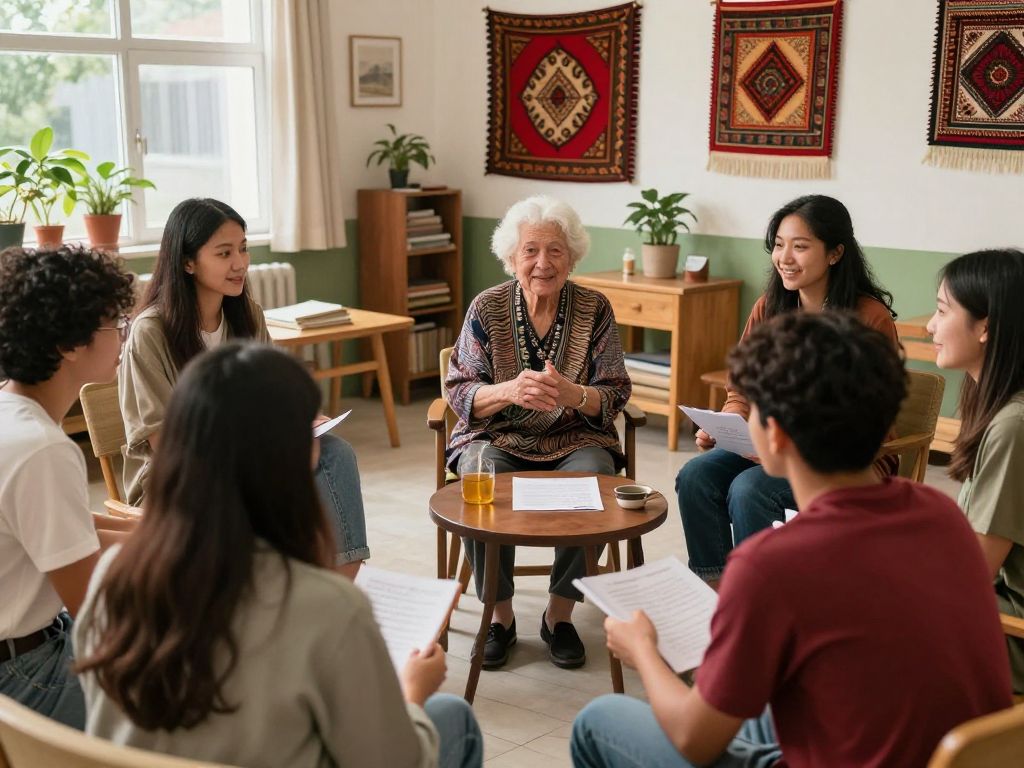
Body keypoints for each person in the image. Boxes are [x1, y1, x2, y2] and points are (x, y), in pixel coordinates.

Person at [571, 311, 1012, 768]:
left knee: (599, 720)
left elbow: (692, 740)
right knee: (760, 705)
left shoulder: (769, 565)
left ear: (775, 434)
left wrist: (643, 651)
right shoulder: (941, 514)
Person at [76, 343, 482, 768]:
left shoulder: (112, 575)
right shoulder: (328, 607)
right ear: (297, 457)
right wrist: (414, 692)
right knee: (451, 718)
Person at [118, 197, 368, 577]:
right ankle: (283, 588)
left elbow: (273, 396)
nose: (240, 263)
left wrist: (303, 419)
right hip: (179, 476)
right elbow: (164, 441)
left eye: (243, 249)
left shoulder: (247, 315)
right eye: (224, 253)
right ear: (187, 262)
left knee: (335, 453)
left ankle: (340, 586)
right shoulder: (151, 332)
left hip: (247, 458)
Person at [446, 195, 631, 670]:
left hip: (576, 439)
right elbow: (460, 389)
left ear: (572, 258)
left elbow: (615, 390)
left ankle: (559, 614)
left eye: (555, 250)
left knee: (596, 478)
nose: (542, 263)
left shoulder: (595, 308)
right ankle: (500, 616)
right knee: (478, 474)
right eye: (530, 250)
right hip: (499, 438)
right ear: (512, 258)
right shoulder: (486, 307)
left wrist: (573, 394)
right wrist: (508, 390)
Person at [676, 194, 898, 585]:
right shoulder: (770, 306)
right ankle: (718, 590)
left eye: (800, 246)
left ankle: (763, 598)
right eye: (779, 245)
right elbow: (741, 386)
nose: (785, 258)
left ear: (835, 253)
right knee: (696, 477)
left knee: (749, 490)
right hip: (772, 447)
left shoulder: (868, 317)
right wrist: (729, 421)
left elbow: (872, 417)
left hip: (847, 459)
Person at [0, 244, 136, 729]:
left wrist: (163, 532)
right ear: (69, 344)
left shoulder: (10, 413)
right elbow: (92, 605)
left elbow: (67, 530)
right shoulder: (43, 449)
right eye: (115, 324)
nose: (123, 336)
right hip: (24, 672)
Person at [927, 248, 1024, 693]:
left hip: (1007, 632)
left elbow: (973, 572)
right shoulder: (999, 408)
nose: (930, 325)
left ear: (985, 327)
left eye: (942, 310)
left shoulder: (1013, 426)